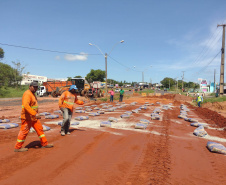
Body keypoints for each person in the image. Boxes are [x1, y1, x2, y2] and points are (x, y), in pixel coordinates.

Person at [14, 82, 54, 152]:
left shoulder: (32, 94)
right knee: (24, 132)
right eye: (34, 87)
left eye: (36, 87)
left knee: (40, 129)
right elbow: (26, 106)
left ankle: (44, 144)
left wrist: (35, 114)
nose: (35, 88)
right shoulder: (27, 94)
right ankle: (18, 147)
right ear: (30, 86)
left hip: (33, 118)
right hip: (27, 117)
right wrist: (34, 114)